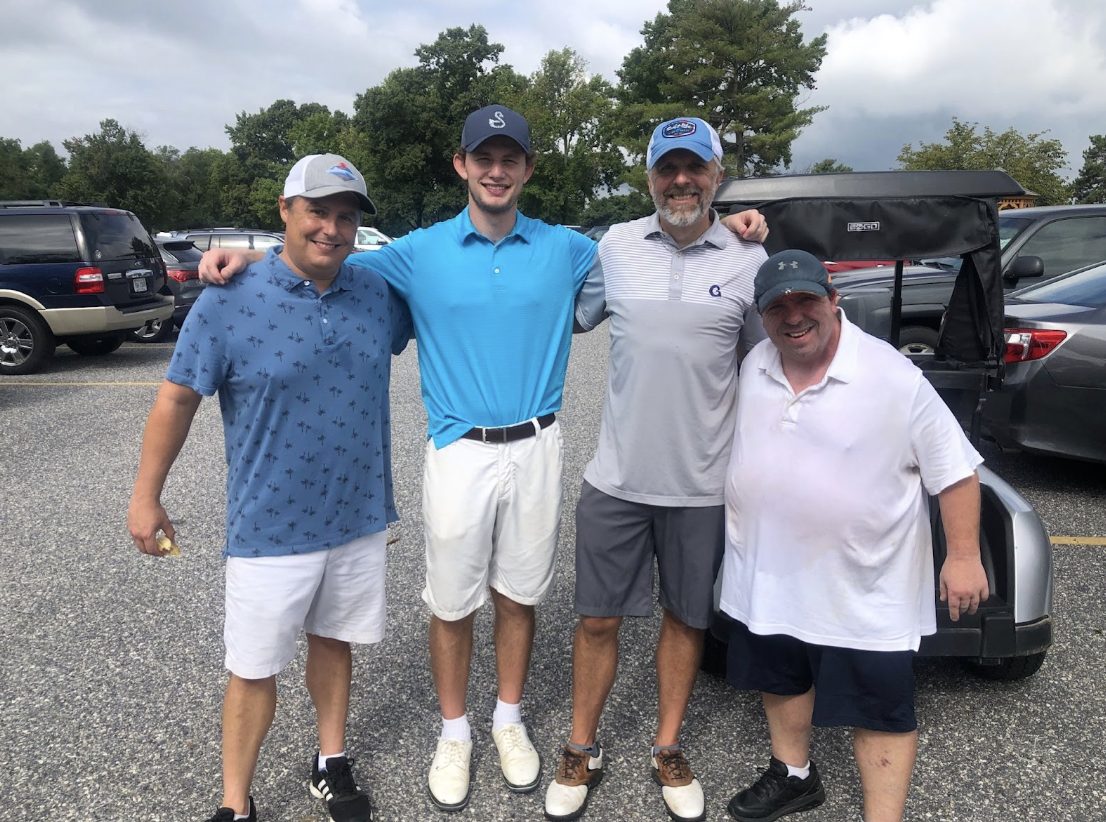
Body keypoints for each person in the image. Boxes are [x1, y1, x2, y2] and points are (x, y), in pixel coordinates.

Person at [198, 105, 768, 814]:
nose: (497, 171)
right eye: (483, 158)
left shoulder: (573, 249)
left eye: (511, 159)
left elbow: (670, 244)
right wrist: (252, 257)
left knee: (519, 595)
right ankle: (454, 731)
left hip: (538, 442)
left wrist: (738, 222)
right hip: (459, 448)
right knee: (452, 600)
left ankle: (507, 718)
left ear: (528, 169)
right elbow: (325, 251)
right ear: (462, 166)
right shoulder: (419, 251)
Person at [128, 154, 410, 822]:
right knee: (254, 668)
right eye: (318, 211)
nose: (333, 229)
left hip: (357, 515)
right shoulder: (226, 301)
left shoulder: (374, 293)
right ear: (284, 211)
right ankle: (236, 801)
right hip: (268, 524)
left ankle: (329, 762)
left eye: (346, 217)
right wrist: (146, 494)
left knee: (333, 641)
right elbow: (176, 400)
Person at [543, 117, 768, 822]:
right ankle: (582, 747)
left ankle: (667, 746)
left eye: (693, 168)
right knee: (597, 621)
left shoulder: (748, 257)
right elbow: (554, 305)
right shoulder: (614, 246)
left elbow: (772, 364)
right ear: (648, 178)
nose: (680, 181)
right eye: (667, 168)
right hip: (616, 479)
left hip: (703, 485)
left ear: (716, 177)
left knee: (684, 618)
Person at [718, 249, 990, 822]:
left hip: (866, 585)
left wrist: (963, 556)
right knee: (781, 675)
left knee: (880, 707)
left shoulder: (893, 377)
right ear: (762, 316)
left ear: (834, 301)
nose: (793, 316)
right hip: (769, 572)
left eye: (806, 301)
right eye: (778, 307)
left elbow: (956, 472)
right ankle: (793, 775)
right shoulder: (755, 364)